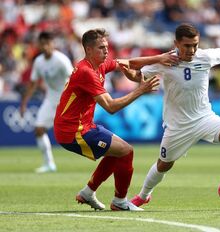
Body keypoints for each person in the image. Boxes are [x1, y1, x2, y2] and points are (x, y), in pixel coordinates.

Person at [130, 23, 220, 207]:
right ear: (176, 43)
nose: (192, 50)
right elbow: (136, 74)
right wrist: (136, 75)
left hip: (204, 118)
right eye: (187, 46)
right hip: (178, 126)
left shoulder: (205, 57)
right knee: (164, 164)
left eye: (195, 45)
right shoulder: (165, 62)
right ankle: (144, 195)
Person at [53, 28, 178, 211]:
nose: (106, 51)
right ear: (88, 50)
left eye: (107, 47)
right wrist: (140, 90)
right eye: (101, 48)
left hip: (83, 126)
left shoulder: (99, 65)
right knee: (126, 151)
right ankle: (120, 201)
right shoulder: (86, 72)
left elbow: (128, 62)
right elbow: (111, 107)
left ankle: (88, 193)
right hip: (72, 131)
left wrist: (158, 59)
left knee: (117, 151)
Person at [20, 31, 74, 173]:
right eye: (42, 43)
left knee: (76, 134)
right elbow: (32, 83)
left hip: (66, 100)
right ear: (38, 44)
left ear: (52, 44)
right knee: (38, 129)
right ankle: (49, 164)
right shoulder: (38, 62)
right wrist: (24, 103)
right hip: (50, 100)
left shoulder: (61, 60)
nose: (45, 46)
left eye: (47, 43)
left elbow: (74, 79)